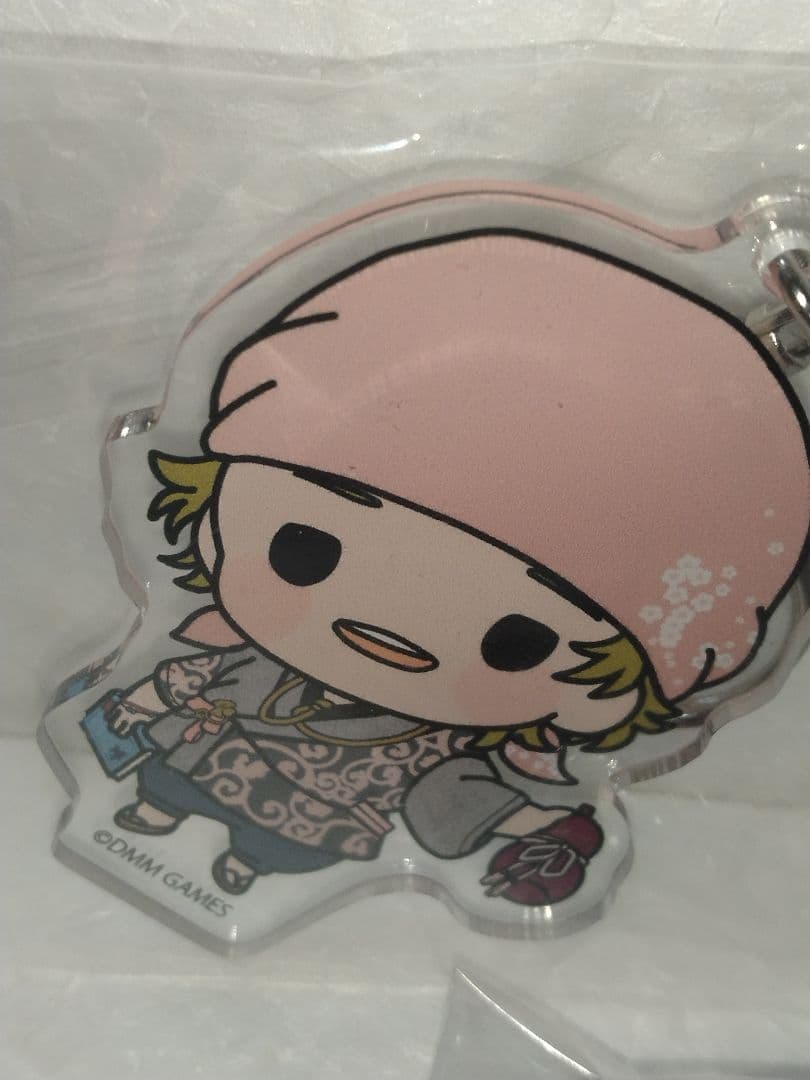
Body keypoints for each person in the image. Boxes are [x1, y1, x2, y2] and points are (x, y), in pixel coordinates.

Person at [94, 229, 810, 900]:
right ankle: (168, 815)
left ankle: (249, 859)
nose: (389, 621)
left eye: (516, 643)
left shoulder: (435, 742)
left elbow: (456, 797)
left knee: (278, 846)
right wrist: (134, 703)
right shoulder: (255, 665)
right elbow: (188, 678)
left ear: (600, 693)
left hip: (311, 823)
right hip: (207, 757)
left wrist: (544, 826)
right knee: (172, 780)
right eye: (304, 550)